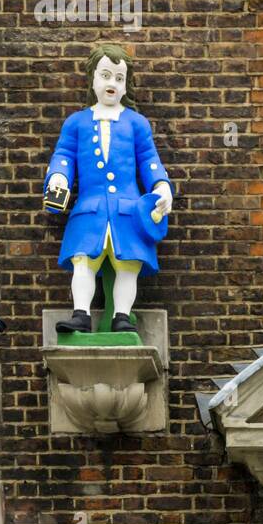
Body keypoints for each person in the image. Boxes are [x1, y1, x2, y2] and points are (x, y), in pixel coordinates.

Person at [44, 44, 173, 334]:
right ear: (93, 79)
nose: (112, 83)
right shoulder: (76, 122)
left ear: (125, 85)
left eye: (118, 78)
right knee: (84, 261)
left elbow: (149, 160)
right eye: (105, 75)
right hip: (90, 208)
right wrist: (58, 178)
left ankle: (122, 317)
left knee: (128, 264)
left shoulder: (137, 123)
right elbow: (63, 155)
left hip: (128, 210)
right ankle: (81, 313)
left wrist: (162, 187)